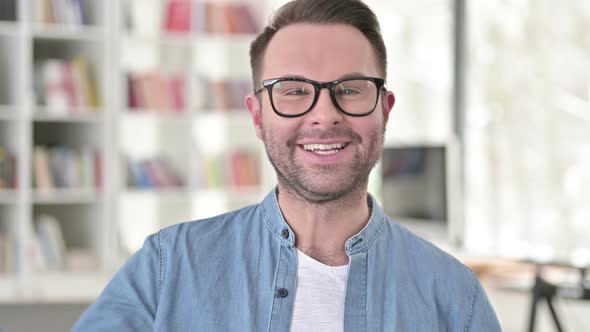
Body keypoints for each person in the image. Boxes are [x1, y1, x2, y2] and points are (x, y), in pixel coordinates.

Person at [73, 0, 501, 331]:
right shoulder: (167, 268)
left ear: (385, 111)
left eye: (350, 89)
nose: (324, 115)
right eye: (294, 90)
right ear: (258, 115)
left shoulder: (454, 298)